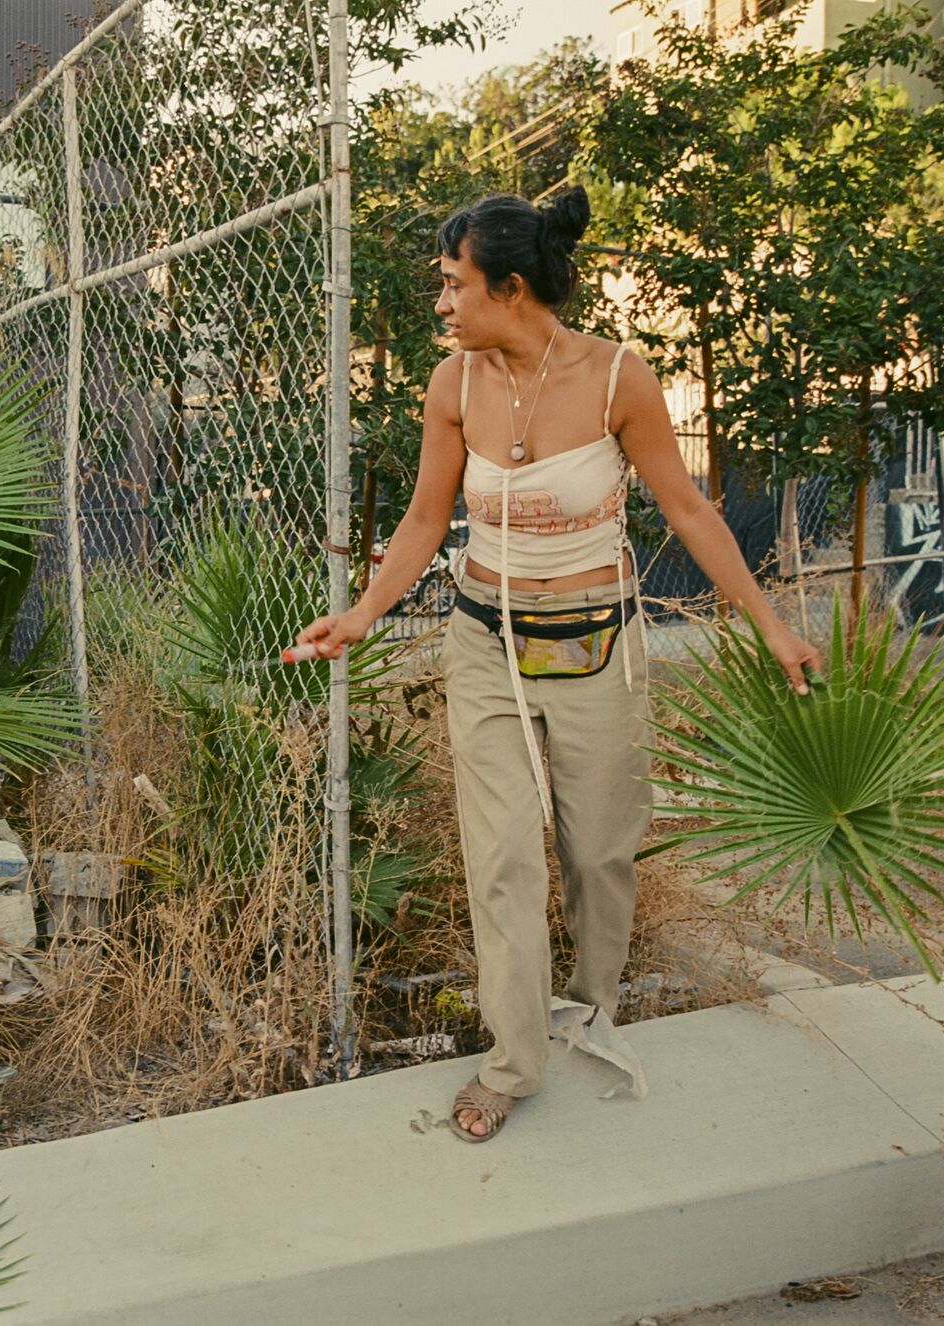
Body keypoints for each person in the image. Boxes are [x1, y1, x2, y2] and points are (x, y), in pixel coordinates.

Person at [295, 189, 821, 1143]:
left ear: (513, 286)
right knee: (500, 859)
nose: (442, 304)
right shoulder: (453, 385)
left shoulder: (621, 378)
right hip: (484, 639)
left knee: (598, 853)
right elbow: (424, 520)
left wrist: (772, 626)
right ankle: (514, 1061)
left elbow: (692, 513)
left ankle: (590, 1002)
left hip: (597, 646)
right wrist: (365, 615)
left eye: (455, 285)